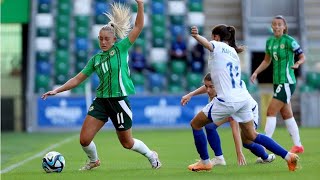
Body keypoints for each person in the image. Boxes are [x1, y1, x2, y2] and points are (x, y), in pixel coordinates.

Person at [41, 0, 161, 170]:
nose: (103, 42)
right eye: (101, 39)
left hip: (118, 101)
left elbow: (138, 27)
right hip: (101, 101)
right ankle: (94, 161)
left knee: (127, 143)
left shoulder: (121, 48)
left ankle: (151, 155)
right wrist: (57, 90)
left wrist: (140, 5)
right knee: (84, 139)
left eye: (106, 39)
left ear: (114, 39)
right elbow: (77, 79)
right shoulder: (95, 59)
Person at [186, 24, 299, 172]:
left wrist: (196, 36)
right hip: (244, 99)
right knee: (252, 135)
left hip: (227, 100)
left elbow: (207, 44)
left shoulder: (217, 45)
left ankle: (205, 162)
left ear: (216, 37)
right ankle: (288, 156)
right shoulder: (233, 53)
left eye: (213, 37)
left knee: (196, 124)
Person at [181, 73, 275, 166]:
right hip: (235, 108)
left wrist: (239, 153)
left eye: (211, 87)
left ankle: (266, 157)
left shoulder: (228, 99)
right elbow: (207, 86)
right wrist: (191, 94)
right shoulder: (215, 89)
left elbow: (235, 128)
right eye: (207, 87)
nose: (208, 90)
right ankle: (219, 158)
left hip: (250, 111)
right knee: (210, 126)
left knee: (247, 141)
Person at [250, 15, 305, 153]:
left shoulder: (289, 41)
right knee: (287, 114)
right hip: (277, 82)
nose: (276, 26)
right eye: (274, 24)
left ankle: (264, 145)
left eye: (279, 24)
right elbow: (266, 61)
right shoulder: (270, 42)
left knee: (270, 111)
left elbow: (302, 56)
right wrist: (256, 72)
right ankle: (298, 145)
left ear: (284, 27)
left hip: (287, 81)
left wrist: (298, 63)